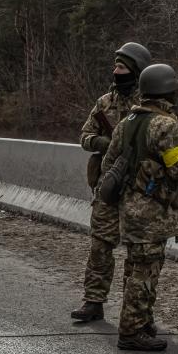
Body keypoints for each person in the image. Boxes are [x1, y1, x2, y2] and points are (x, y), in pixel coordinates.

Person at [96, 63, 178, 350]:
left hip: (128, 208)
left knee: (136, 267)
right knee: (145, 271)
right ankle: (131, 332)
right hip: (152, 211)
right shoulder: (165, 124)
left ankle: (142, 320)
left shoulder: (127, 121)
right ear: (168, 90)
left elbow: (109, 164)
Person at [70, 42, 151, 323]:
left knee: (138, 252)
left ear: (136, 71)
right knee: (100, 245)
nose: (115, 71)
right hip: (109, 185)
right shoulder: (105, 103)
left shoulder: (149, 104)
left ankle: (135, 310)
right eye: (115, 66)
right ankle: (93, 301)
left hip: (140, 190)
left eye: (122, 67)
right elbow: (84, 137)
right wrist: (106, 142)